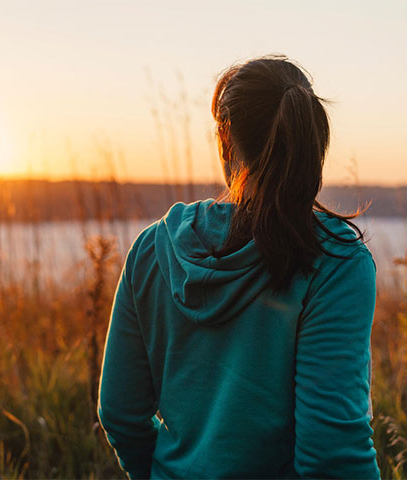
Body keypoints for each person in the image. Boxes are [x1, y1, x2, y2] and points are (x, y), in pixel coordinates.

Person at [97, 54, 380, 479]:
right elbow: (332, 453)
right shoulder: (335, 262)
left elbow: (120, 412)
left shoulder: (152, 249)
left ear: (225, 143)